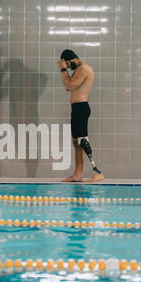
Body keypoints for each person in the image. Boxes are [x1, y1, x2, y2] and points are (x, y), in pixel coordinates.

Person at [58, 49, 104, 183]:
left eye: (67, 64)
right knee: (76, 143)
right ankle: (77, 174)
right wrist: (64, 68)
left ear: (71, 59)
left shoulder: (84, 69)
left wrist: (62, 70)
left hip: (81, 108)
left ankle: (87, 172)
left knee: (82, 141)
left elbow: (69, 86)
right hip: (76, 108)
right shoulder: (79, 69)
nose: (67, 68)